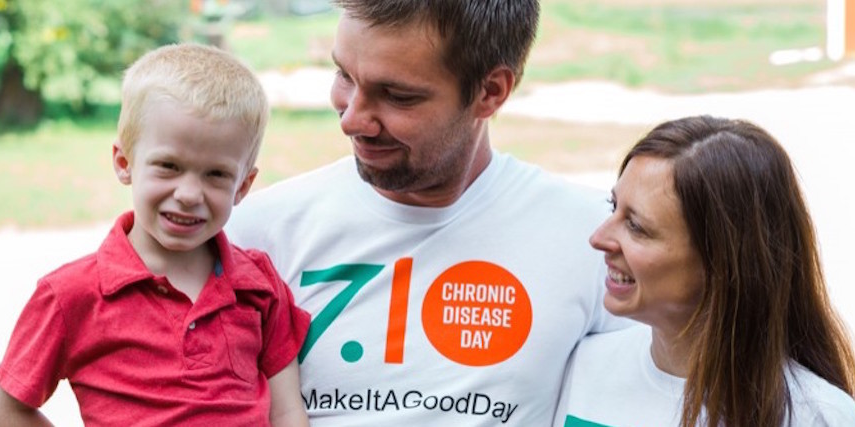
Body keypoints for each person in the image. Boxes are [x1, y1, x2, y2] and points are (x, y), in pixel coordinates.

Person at [225, 0, 630, 425]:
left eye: (398, 96)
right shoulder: (254, 234)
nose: (352, 119)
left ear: (491, 92)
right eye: (344, 75)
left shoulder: (596, 244)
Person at [0, 43, 311, 427]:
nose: (189, 194)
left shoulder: (259, 285)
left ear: (243, 185)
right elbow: (7, 409)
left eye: (217, 175)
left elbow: (287, 409)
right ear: (124, 163)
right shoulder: (70, 295)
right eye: (168, 166)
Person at [555, 115, 855, 427]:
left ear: (723, 261)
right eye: (614, 207)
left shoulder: (817, 416)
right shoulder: (584, 366)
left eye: (636, 226)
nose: (599, 238)